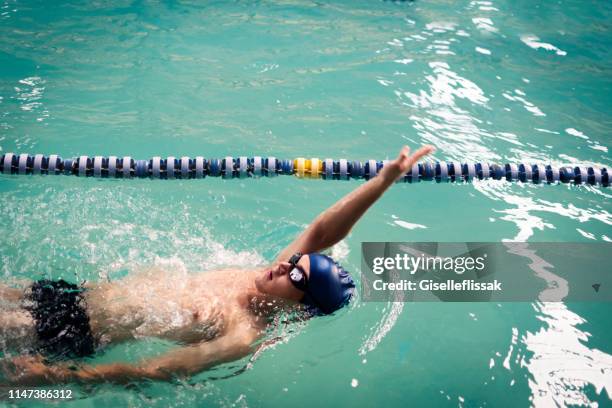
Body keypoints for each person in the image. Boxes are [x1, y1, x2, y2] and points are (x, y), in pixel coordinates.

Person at [0, 145, 434, 385]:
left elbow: (156, 371)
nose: (285, 267)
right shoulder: (267, 274)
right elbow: (324, 230)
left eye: (296, 275)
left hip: (66, 335)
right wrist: (383, 180)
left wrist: (57, 376)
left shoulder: (242, 334)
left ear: (301, 305)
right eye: (294, 262)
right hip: (70, 292)